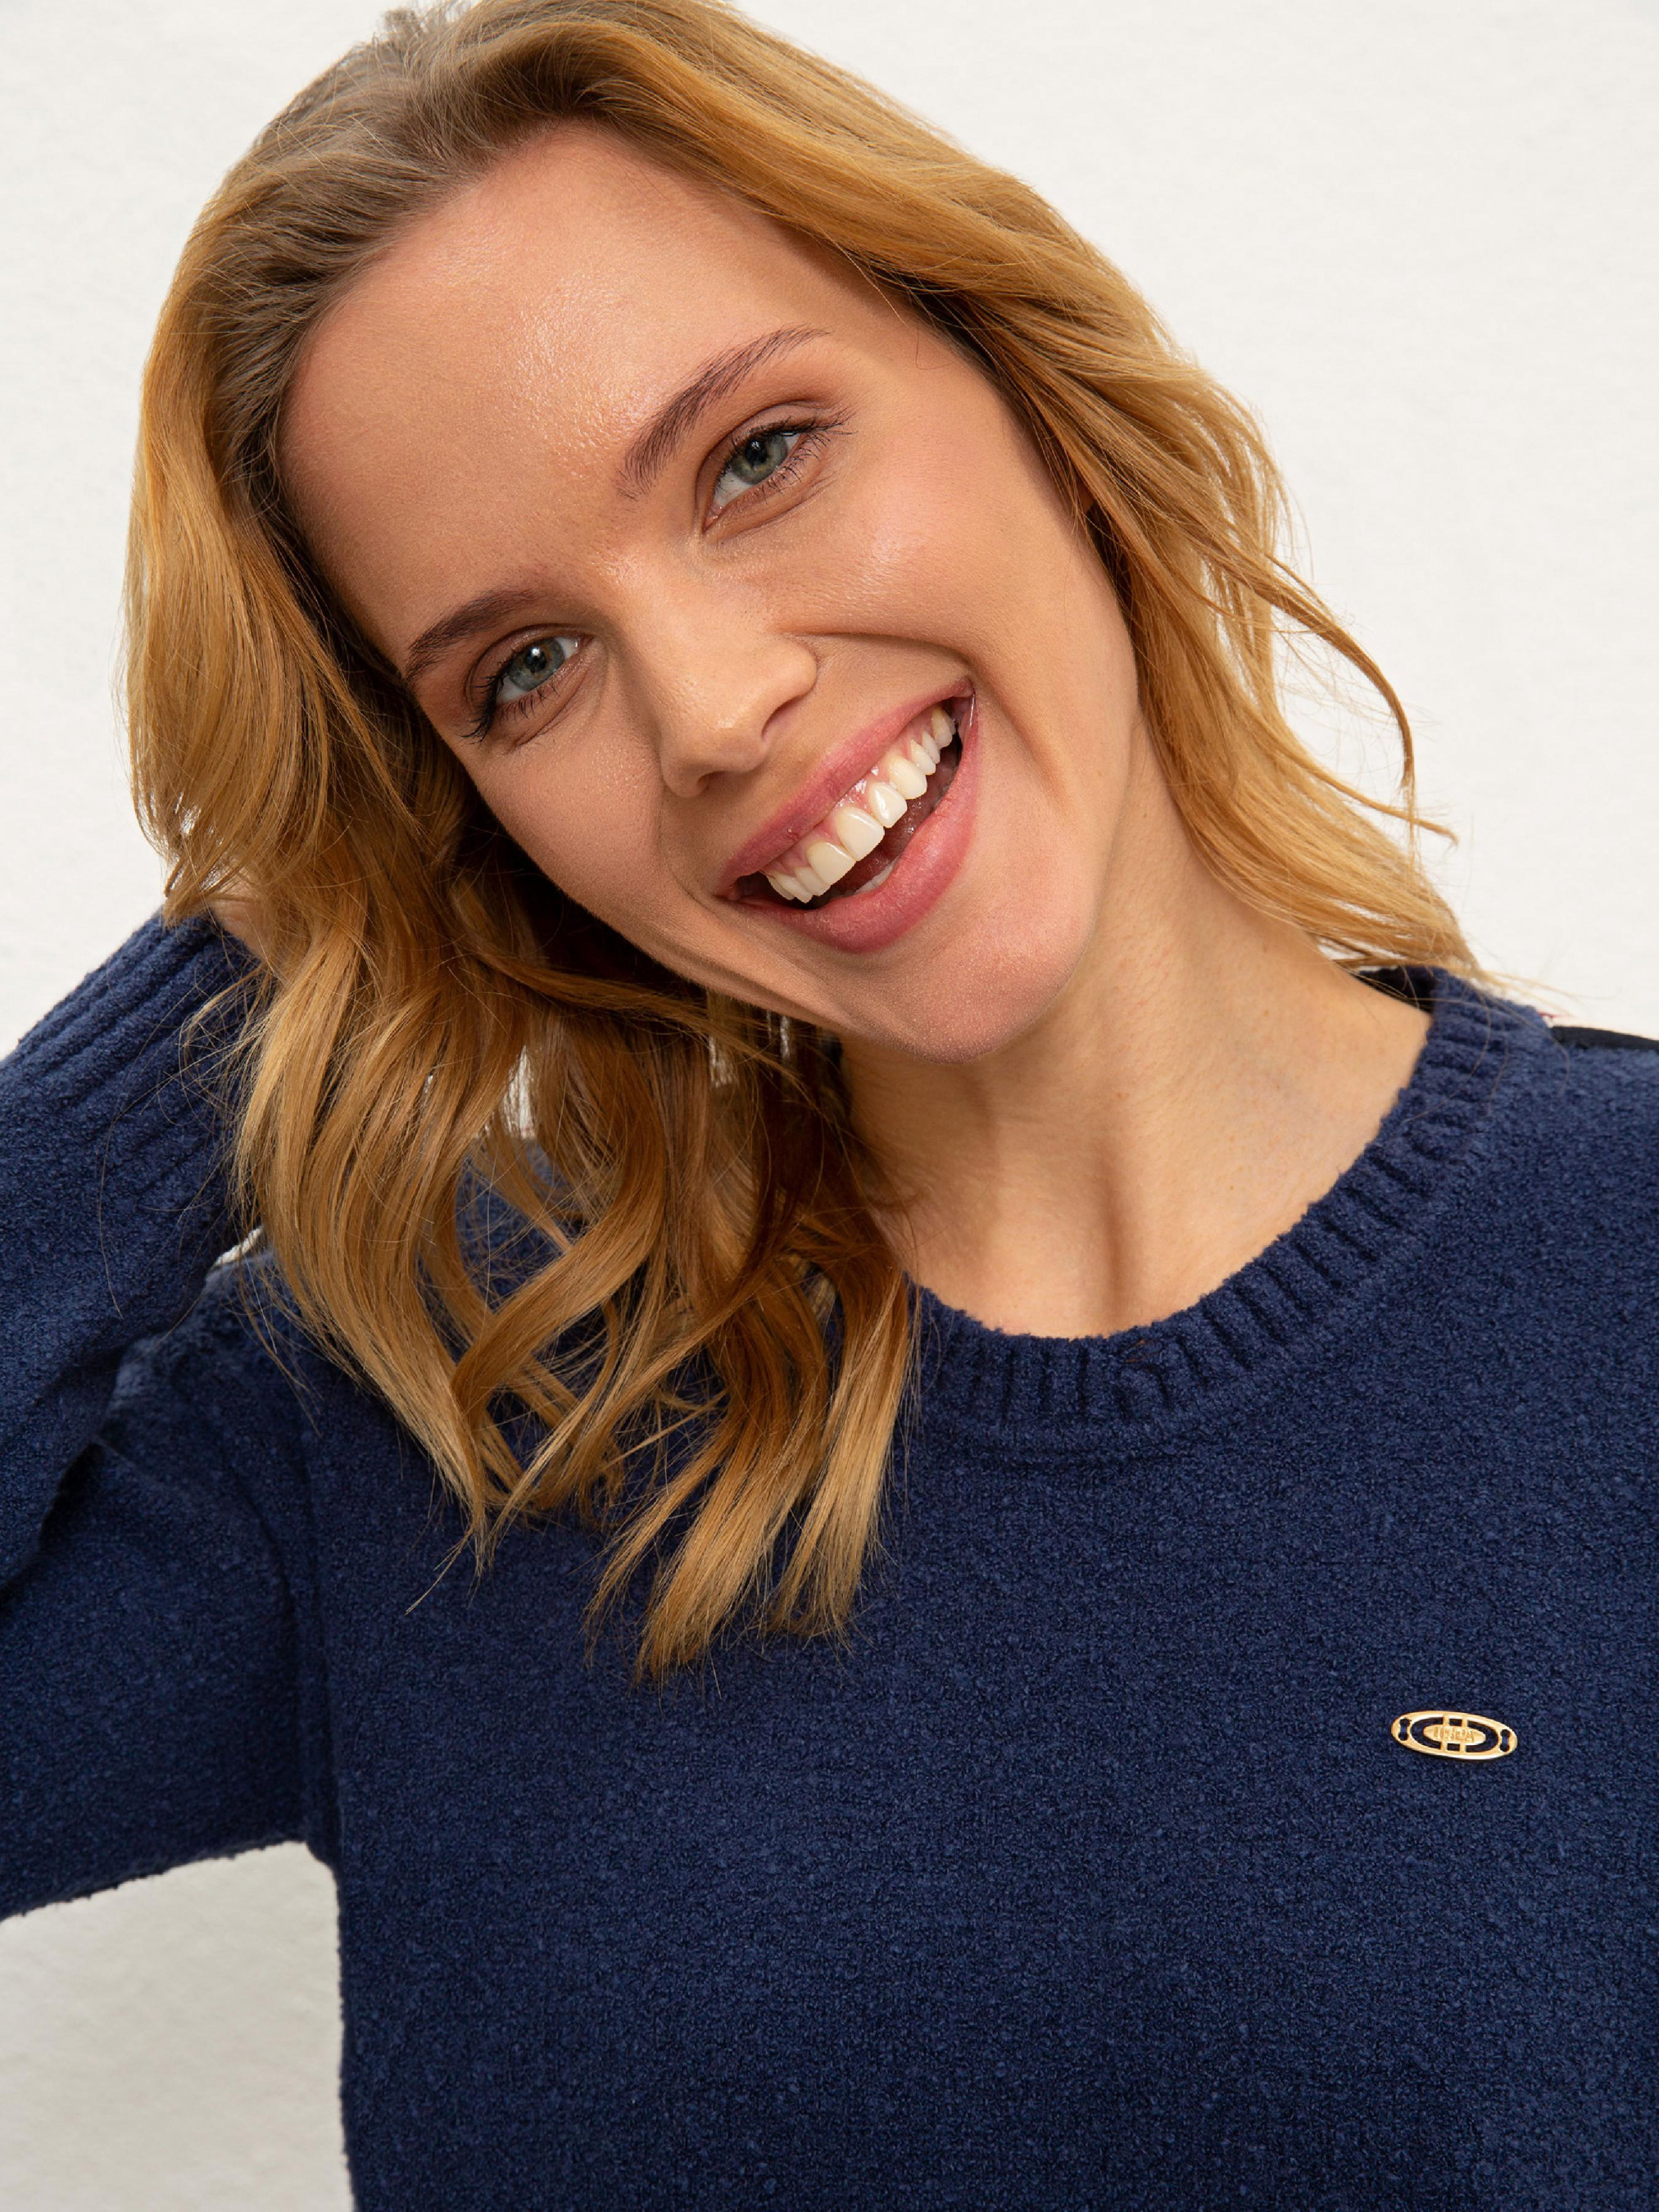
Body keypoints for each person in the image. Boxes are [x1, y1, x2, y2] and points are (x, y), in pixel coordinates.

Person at [2, 0, 1652, 2201]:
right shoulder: (436, 1397)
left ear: (1023, 381)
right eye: (522, 670)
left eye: (756, 457)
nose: (711, 708)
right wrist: (271, 949)